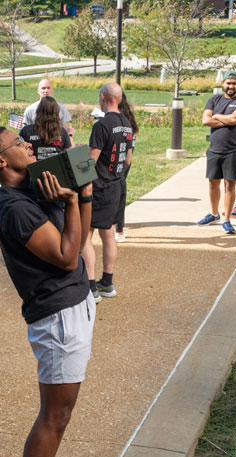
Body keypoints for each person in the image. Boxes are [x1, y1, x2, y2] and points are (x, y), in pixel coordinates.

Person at [0, 125, 95, 457]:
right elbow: (67, 259)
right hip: (59, 318)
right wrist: (71, 201)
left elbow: (79, 241)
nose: (27, 143)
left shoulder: (37, 188)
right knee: (55, 417)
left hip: (74, 306)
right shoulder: (16, 208)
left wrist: (83, 195)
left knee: (62, 415)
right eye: (17, 142)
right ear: (0, 160)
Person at [82, 82, 133, 303]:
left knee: (86, 235)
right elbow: (128, 159)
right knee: (109, 234)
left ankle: (91, 288)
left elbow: (92, 160)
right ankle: (107, 282)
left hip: (100, 187)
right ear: (120, 99)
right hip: (118, 185)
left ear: (103, 97)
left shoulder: (102, 125)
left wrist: (81, 182)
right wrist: (118, 177)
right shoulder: (126, 124)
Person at [197, 70, 236, 234]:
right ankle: (214, 214)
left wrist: (217, 116)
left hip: (233, 150)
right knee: (213, 182)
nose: (231, 86)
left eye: (234, 83)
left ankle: (226, 219)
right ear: (223, 84)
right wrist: (227, 119)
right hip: (214, 148)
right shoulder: (214, 99)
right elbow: (205, 120)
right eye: (228, 83)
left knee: (230, 184)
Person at [115, 91, 138, 243]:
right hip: (125, 159)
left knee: (115, 194)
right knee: (120, 193)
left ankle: (116, 228)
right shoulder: (129, 118)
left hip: (115, 160)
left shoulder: (115, 119)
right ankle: (119, 229)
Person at [19, 96, 71, 160]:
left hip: (33, 167)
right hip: (57, 168)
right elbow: (68, 155)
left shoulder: (26, 130)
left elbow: (18, 151)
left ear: (38, 111)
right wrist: (70, 135)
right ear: (56, 112)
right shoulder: (62, 131)